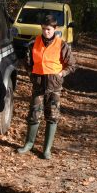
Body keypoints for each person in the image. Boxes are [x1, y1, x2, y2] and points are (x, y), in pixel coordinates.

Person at [17, 15, 76, 159]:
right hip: (38, 85)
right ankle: (29, 144)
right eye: (43, 29)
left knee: (52, 116)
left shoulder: (62, 45)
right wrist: (32, 74)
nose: (46, 32)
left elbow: (72, 65)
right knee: (34, 114)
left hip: (54, 86)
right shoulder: (33, 43)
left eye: (48, 29)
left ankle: (46, 149)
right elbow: (27, 62)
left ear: (55, 29)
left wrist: (62, 73)